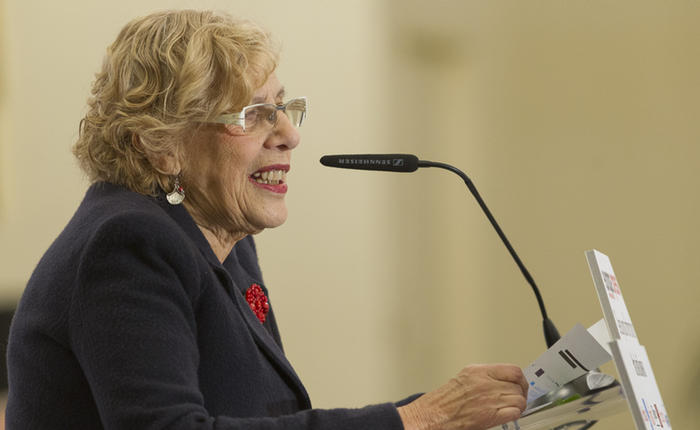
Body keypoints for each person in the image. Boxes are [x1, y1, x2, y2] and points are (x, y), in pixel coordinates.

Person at [6, 10, 528, 430]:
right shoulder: (129, 243)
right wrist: (419, 420)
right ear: (160, 145)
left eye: (282, 106)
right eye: (250, 114)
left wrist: (443, 414)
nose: (287, 134)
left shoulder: (223, 238)